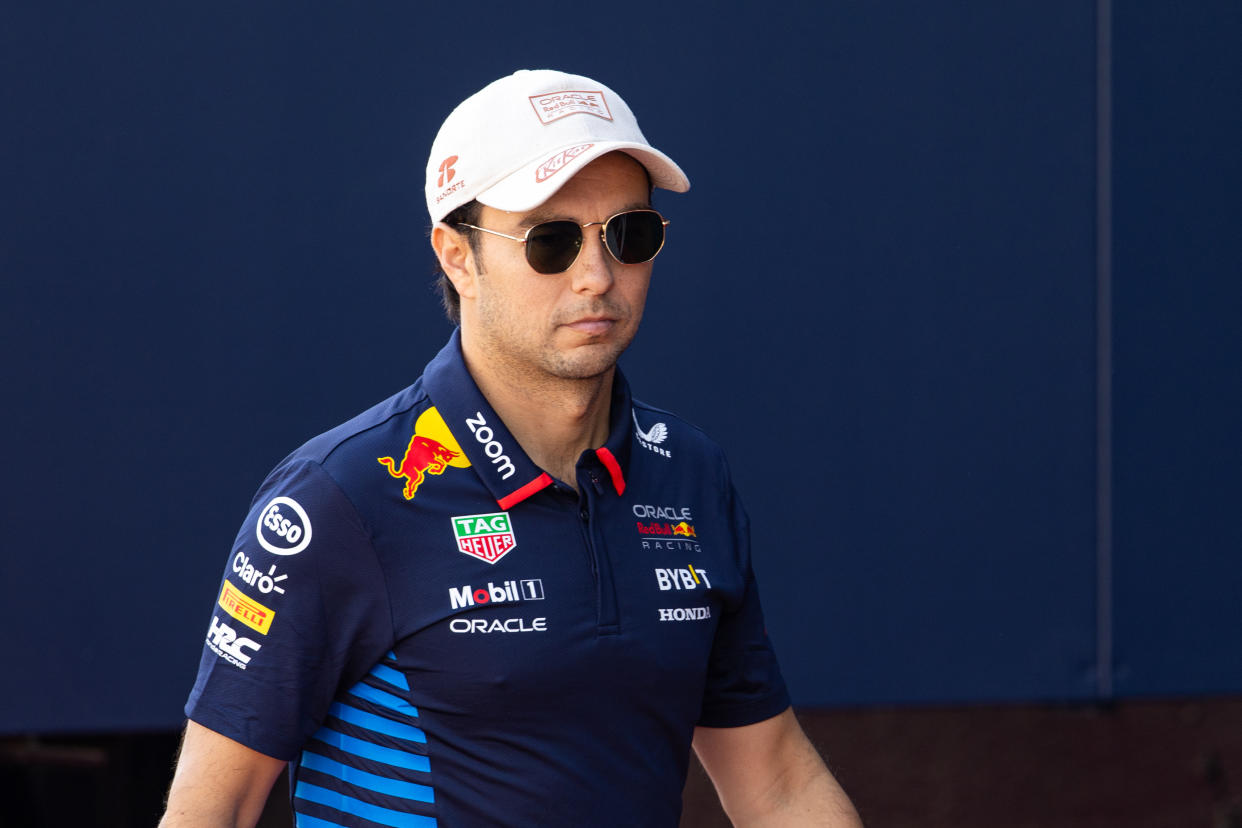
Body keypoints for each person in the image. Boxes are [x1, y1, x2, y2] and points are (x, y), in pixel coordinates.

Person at [161, 69, 863, 828]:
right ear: (458, 256)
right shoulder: (340, 497)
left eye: (630, 235)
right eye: (550, 242)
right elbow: (214, 811)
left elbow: (778, 786)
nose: (597, 277)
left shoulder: (689, 473)